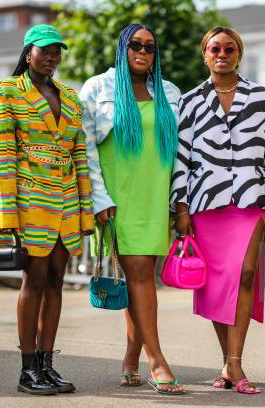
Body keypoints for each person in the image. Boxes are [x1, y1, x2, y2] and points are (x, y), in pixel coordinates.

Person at [171, 26, 265, 395]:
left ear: (239, 53)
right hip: (206, 203)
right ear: (205, 54)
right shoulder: (189, 102)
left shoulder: (262, 97)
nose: (222, 53)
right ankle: (231, 362)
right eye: (214, 48)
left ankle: (233, 363)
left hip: (251, 200)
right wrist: (180, 206)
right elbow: (182, 159)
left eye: (229, 47)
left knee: (246, 275)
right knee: (218, 283)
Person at [0, 24, 94, 395]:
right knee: (33, 281)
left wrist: (85, 210)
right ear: (28, 51)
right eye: (44, 50)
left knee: (56, 282)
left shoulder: (70, 96)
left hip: (65, 203)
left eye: (57, 52)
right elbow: (1, 158)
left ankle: (47, 366)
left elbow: (79, 155)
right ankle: (27, 369)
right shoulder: (6, 94)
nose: (51, 57)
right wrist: (7, 218)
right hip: (30, 203)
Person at [80, 23, 185, 395]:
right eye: (135, 45)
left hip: (155, 196)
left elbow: (180, 153)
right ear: (123, 48)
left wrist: (179, 200)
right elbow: (86, 149)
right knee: (139, 273)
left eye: (150, 47)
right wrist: (98, 199)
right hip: (116, 198)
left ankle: (130, 356)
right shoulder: (98, 88)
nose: (143, 52)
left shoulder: (170, 92)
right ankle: (156, 359)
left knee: (138, 277)